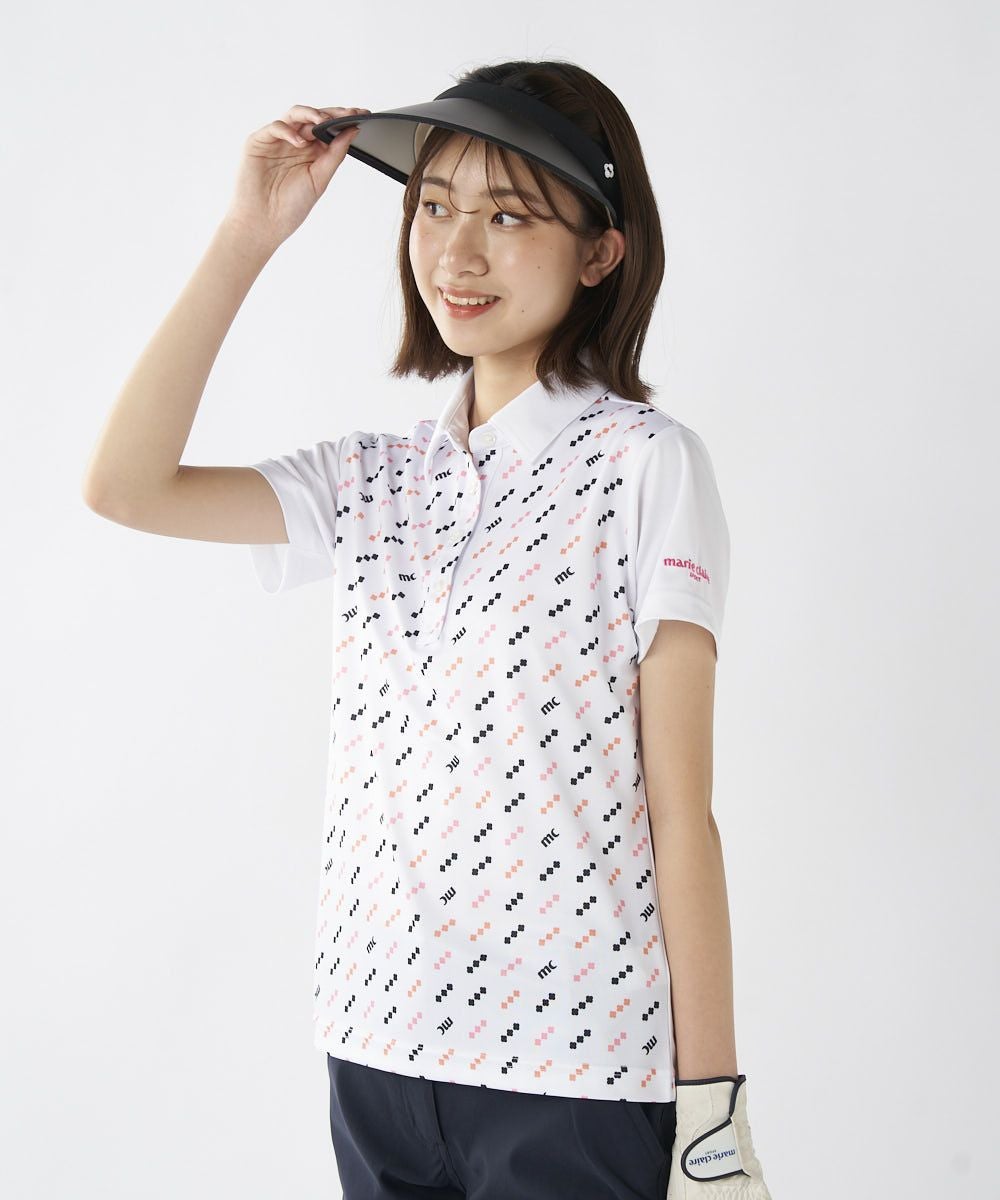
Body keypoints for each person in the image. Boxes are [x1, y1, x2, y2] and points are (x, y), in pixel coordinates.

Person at [82, 58, 772, 1200]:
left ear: (601, 253)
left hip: (572, 1067)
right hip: (376, 1049)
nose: (456, 252)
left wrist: (710, 1110)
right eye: (434, 206)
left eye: (509, 216)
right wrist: (249, 235)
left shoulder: (645, 466)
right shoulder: (373, 480)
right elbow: (124, 485)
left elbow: (679, 812)